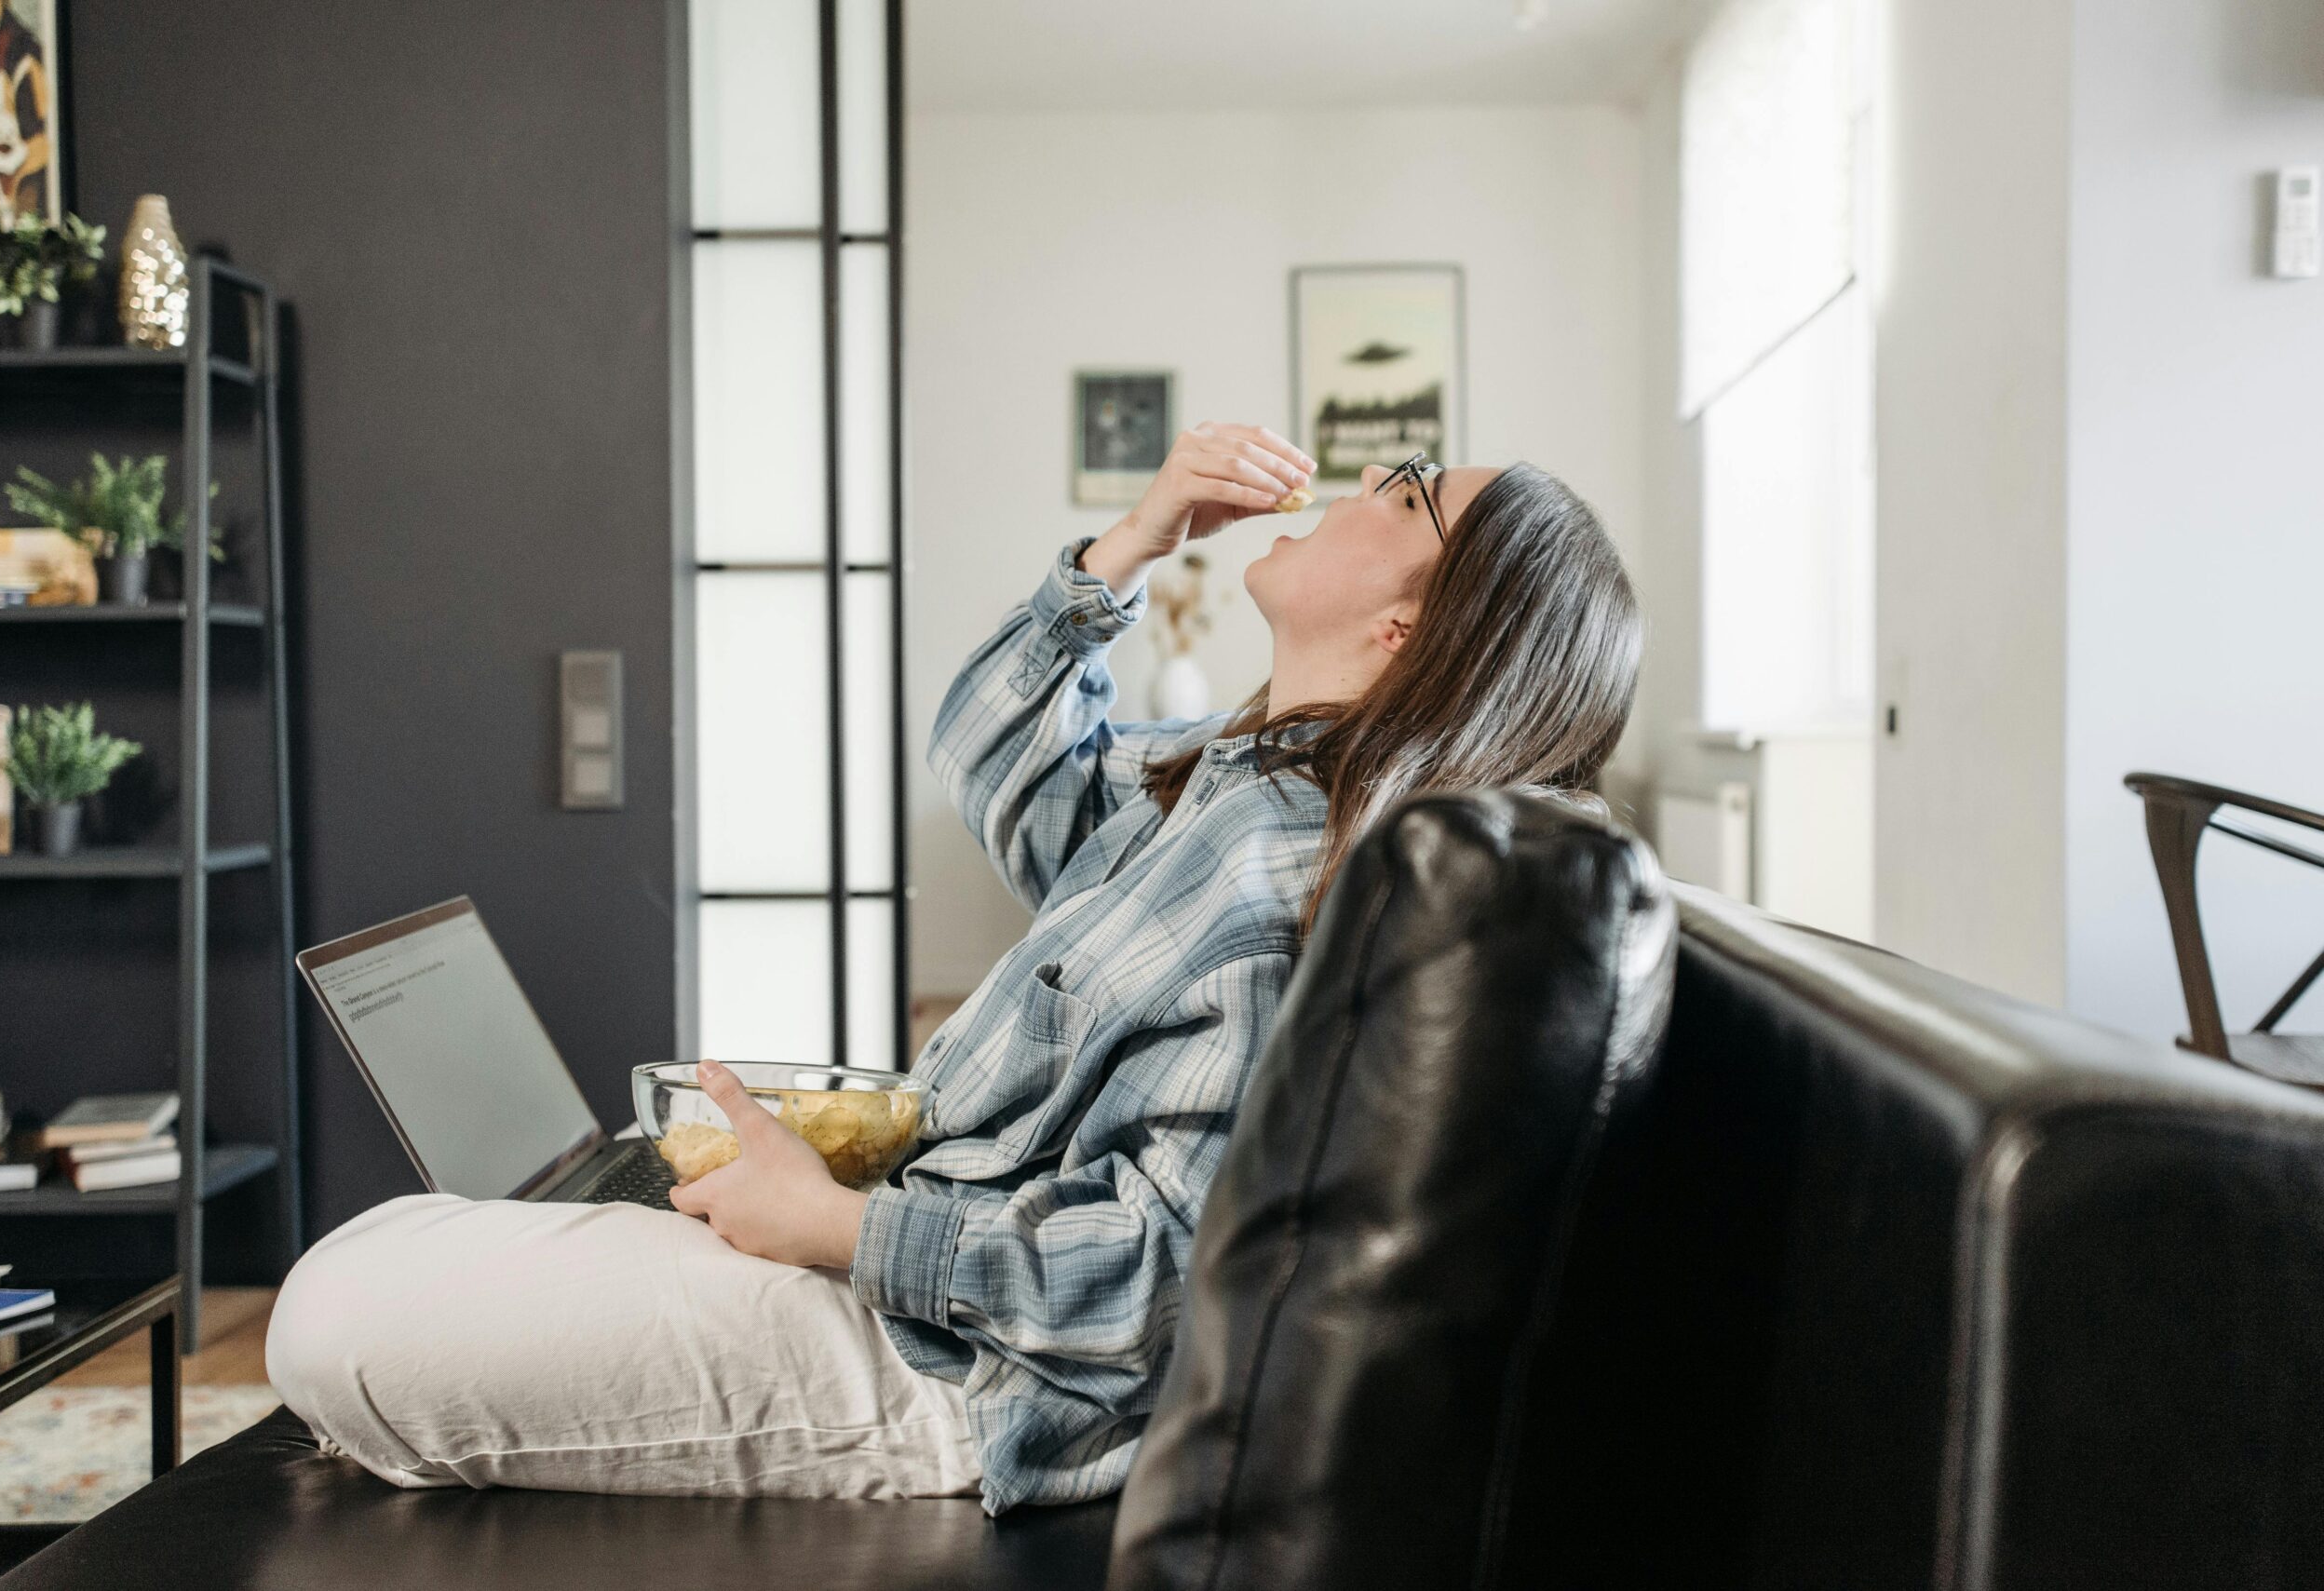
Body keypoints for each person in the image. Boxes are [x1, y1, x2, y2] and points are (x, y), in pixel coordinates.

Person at [265, 421, 1643, 1517]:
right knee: (433, 1237)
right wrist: (1135, 540)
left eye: (1408, 495)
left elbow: (1167, 1280)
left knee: (341, 1302)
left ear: (1412, 630)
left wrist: (842, 1230)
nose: (1361, 481)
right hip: (894, 1250)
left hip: (947, 1364)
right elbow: (994, 756)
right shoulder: (1229, 784)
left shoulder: (1296, 885)